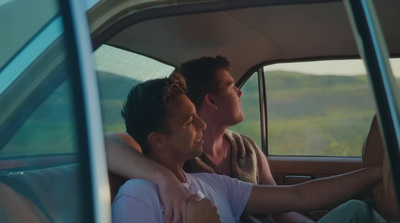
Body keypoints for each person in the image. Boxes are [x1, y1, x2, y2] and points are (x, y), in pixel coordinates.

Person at [112, 72, 386, 223]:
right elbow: (105, 143)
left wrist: (376, 172)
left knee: (356, 211)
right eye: (189, 122)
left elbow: (298, 196)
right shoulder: (138, 195)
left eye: (197, 115)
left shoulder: (212, 184)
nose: (202, 125)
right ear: (157, 140)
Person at [106, 56, 313, 223]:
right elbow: (104, 146)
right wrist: (164, 178)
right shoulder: (140, 193)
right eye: (232, 87)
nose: (240, 92)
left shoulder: (223, 172)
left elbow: (290, 199)